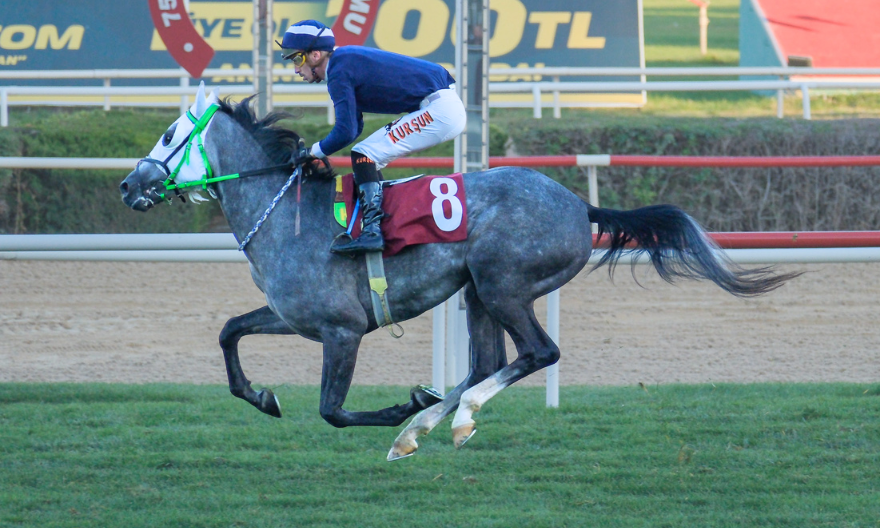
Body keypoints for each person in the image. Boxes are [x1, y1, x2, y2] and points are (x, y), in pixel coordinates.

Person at [278, 20, 466, 255]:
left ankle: (373, 232)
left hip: (439, 110)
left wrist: (311, 153)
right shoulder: (342, 63)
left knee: (364, 154)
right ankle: (377, 227)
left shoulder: (338, 70)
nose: (296, 70)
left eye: (297, 60)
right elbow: (354, 128)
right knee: (365, 153)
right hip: (440, 106)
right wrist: (314, 152)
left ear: (315, 55)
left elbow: (346, 131)